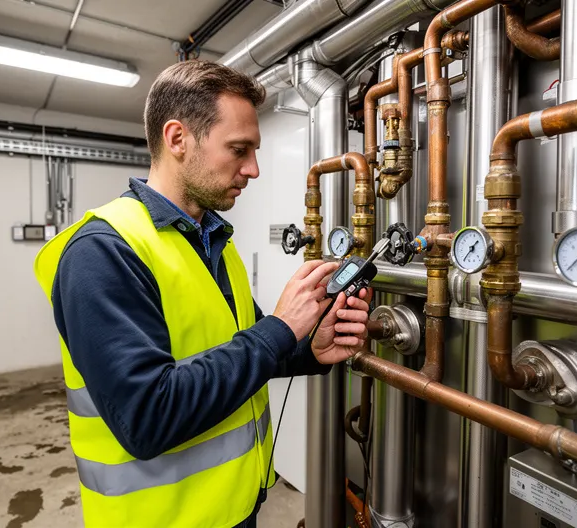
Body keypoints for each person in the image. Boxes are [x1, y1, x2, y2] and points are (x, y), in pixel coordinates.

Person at [33, 60, 372, 528]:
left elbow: (244, 350)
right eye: (239, 149)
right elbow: (147, 416)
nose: (252, 169)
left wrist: (307, 348)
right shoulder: (102, 254)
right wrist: (279, 329)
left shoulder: (212, 242)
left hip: (236, 508)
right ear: (177, 139)